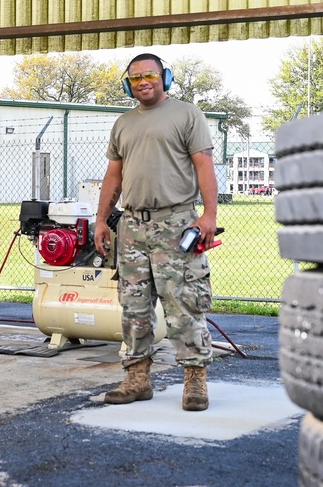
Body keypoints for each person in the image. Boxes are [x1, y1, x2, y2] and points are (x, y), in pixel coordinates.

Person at [93, 53, 219, 411]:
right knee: (133, 306)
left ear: (165, 77)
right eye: (135, 78)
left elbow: (204, 166)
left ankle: (195, 380)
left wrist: (208, 215)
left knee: (182, 303)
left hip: (176, 222)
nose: (143, 82)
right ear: (127, 84)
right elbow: (113, 176)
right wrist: (102, 219)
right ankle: (137, 379)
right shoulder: (123, 123)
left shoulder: (187, 114)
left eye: (150, 75)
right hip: (131, 225)